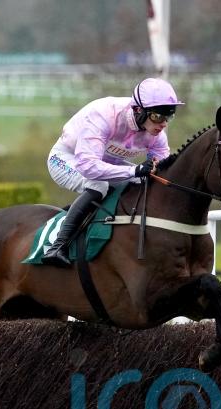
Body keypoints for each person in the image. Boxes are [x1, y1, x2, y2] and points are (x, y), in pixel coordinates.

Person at [42, 77, 184, 267]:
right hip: (67, 159)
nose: (163, 124)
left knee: (143, 183)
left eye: (168, 117)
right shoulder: (104, 115)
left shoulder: (157, 134)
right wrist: (134, 170)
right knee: (98, 185)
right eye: (158, 116)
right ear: (139, 110)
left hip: (105, 164)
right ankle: (58, 246)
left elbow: (162, 170)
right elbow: (88, 167)